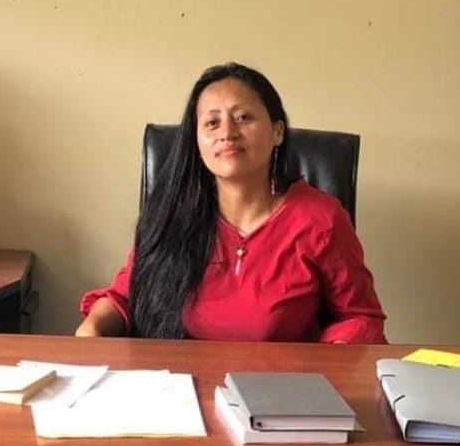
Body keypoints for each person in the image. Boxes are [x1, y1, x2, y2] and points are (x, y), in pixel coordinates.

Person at [77, 62, 386, 343]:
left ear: (277, 131)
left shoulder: (320, 219)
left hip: (279, 383)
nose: (227, 133)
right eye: (212, 123)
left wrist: (326, 362)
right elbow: (125, 297)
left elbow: (360, 317)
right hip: (177, 380)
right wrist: (93, 328)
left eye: (243, 118)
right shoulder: (171, 214)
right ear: (196, 142)